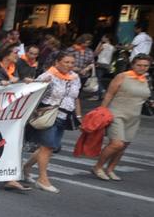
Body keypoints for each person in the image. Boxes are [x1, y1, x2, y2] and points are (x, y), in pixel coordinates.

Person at [22, 51, 83, 194]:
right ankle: (42, 179)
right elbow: (33, 91)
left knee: (49, 147)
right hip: (49, 114)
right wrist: (32, 83)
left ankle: (27, 167)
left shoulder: (75, 77)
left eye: (72, 63)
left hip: (65, 115)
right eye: (66, 62)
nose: (69, 65)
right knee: (47, 147)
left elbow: (76, 97)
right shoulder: (48, 76)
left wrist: (79, 116)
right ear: (57, 62)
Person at [92, 53, 150, 181]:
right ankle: (97, 167)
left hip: (134, 117)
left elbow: (145, 97)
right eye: (139, 65)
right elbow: (109, 94)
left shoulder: (146, 79)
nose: (142, 68)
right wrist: (102, 111)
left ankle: (110, 169)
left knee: (123, 146)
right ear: (132, 65)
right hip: (116, 113)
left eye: (146, 65)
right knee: (116, 144)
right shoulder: (122, 76)